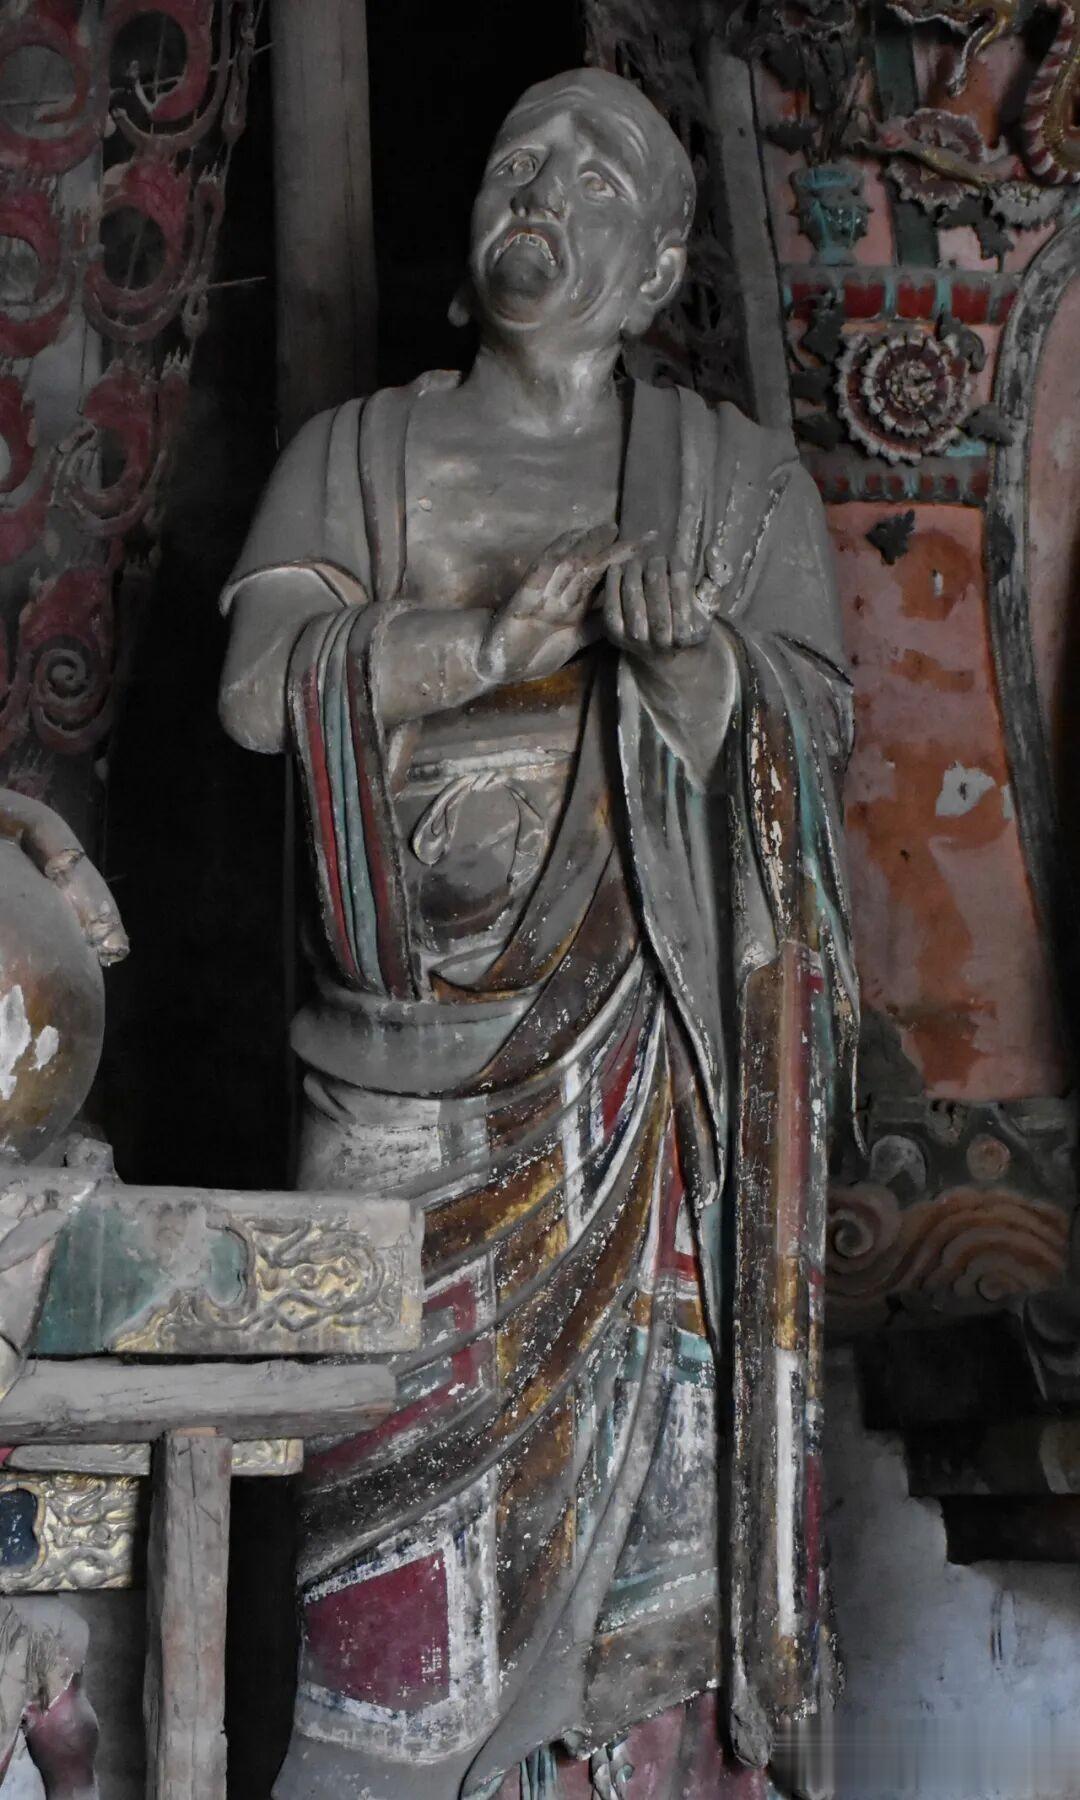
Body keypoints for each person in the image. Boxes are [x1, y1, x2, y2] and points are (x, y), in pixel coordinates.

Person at [220, 67, 856, 1800]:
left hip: (649, 1073)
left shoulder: (735, 487)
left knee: (653, 1559)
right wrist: (487, 647)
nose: (541, 191)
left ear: (654, 272)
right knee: (387, 1573)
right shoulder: (360, 454)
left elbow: (815, 752)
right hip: (400, 1079)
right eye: (519, 160)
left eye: (596, 178)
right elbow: (261, 693)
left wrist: (692, 665)